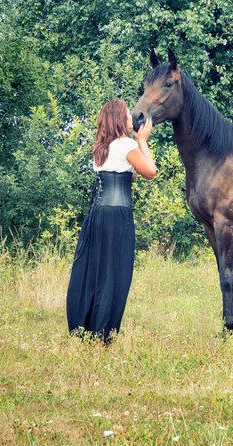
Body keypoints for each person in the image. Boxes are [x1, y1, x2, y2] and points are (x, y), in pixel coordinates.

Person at [66, 99, 157, 343]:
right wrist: (142, 141)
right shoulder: (126, 144)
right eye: (128, 115)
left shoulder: (102, 147)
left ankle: (86, 325)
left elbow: (126, 174)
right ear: (119, 119)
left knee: (95, 269)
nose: (131, 118)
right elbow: (150, 172)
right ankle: (103, 331)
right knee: (115, 272)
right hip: (117, 215)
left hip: (97, 213)